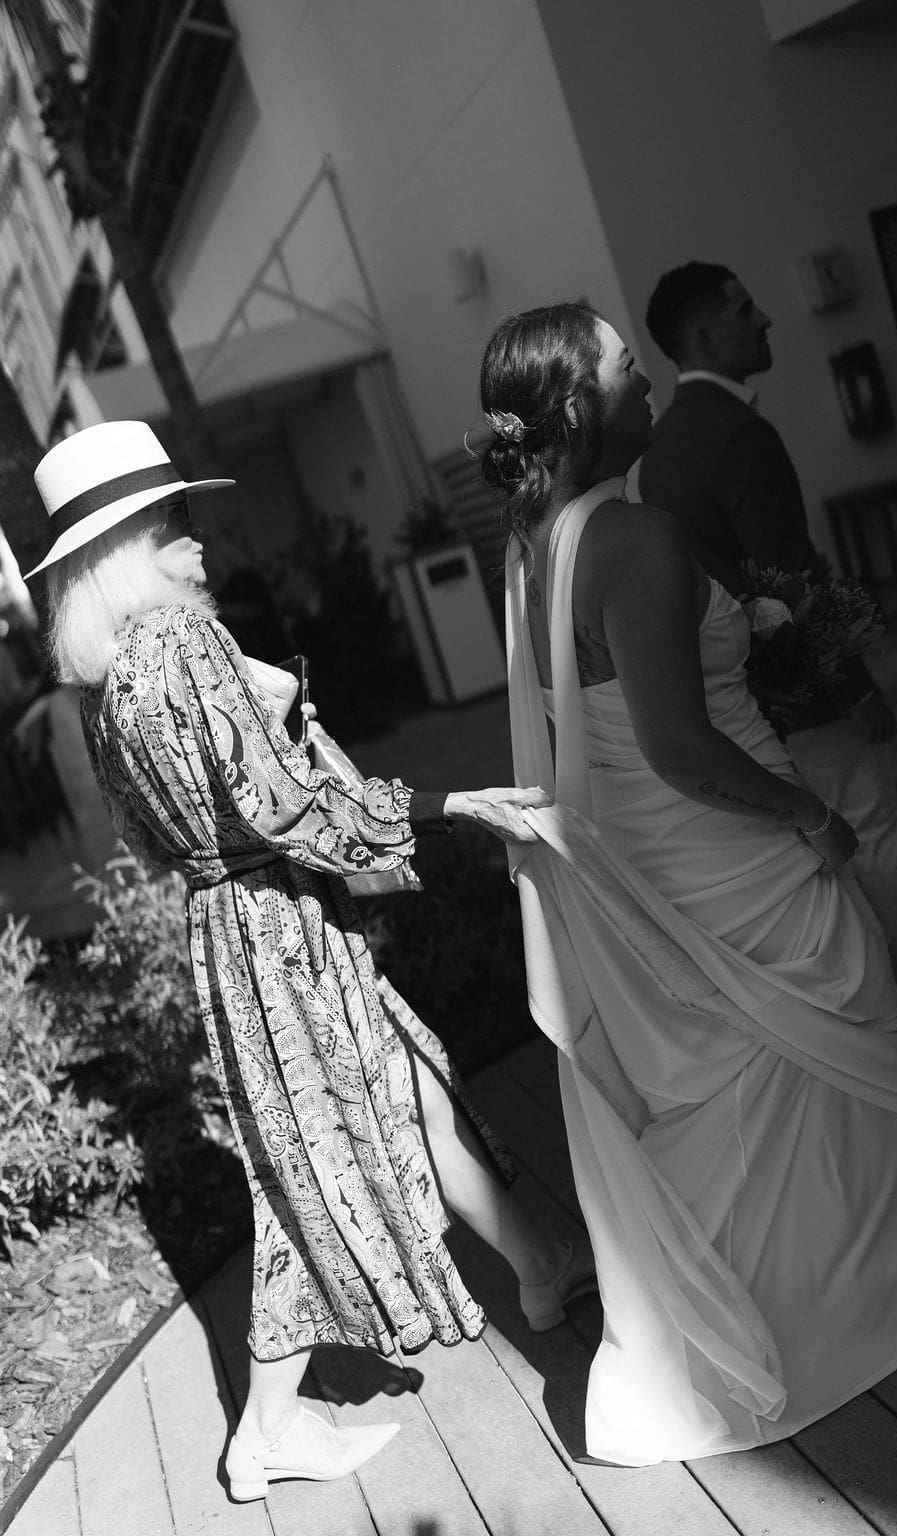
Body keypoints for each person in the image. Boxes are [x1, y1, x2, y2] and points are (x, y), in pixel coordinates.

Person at [475, 300, 897, 1466]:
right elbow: (679, 745)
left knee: (756, 1077)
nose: (645, 381)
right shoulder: (634, 539)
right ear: (579, 405)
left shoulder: (526, 554)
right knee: (840, 1022)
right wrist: (808, 811)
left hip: (646, 861)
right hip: (726, 842)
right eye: (626, 368)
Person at [27, 420, 595, 1503]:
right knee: (307, 1167)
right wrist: (451, 805)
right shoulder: (183, 644)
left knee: (405, 1086)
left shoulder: (104, 690)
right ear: (127, 548)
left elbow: (159, 839)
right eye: (173, 520)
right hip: (282, 926)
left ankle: (540, 1268)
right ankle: (267, 1428)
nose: (198, 536)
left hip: (229, 929)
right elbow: (286, 808)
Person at [638, 262, 897, 1009]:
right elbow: (790, 581)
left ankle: (859, 988)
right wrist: (857, 689)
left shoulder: (661, 448)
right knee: (872, 820)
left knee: (810, 844)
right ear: (706, 335)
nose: (765, 319)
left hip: (736, 689)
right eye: (744, 310)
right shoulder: (739, 434)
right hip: (793, 681)